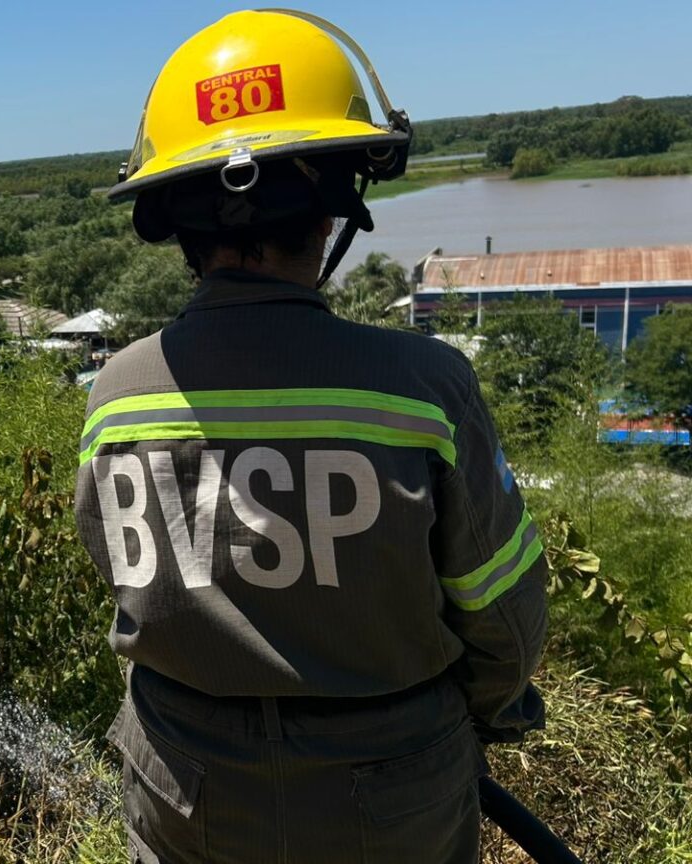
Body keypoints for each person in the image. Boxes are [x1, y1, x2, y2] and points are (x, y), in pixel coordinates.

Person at [75, 11, 546, 863]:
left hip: (182, 787)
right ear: (334, 210)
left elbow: (123, 575)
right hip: (394, 793)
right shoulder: (425, 387)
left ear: (176, 222)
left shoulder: (114, 395)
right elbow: (505, 620)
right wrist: (476, 718)